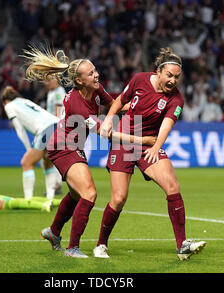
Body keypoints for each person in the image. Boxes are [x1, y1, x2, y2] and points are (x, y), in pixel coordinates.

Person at [22, 46, 157, 258]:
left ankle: (54, 232)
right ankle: (72, 248)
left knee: (76, 194)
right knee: (89, 193)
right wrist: (144, 140)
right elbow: (107, 133)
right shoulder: (77, 103)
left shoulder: (95, 89)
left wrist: (141, 103)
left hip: (74, 146)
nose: (97, 75)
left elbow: (114, 105)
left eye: (95, 70)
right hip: (63, 147)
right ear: (79, 81)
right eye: (91, 73)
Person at [97, 47, 206, 260]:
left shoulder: (176, 100)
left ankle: (182, 245)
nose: (173, 80)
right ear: (158, 72)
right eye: (169, 75)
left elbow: (165, 127)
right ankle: (101, 243)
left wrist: (156, 147)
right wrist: (109, 118)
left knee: (172, 186)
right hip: (124, 141)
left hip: (149, 144)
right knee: (119, 199)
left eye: (177, 77)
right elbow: (120, 100)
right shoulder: (139, 80)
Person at [1, 86, 61, 200]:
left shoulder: (9, 106)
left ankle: (28, 200)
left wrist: (29, 148)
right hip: (58, 125)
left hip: (46, 129)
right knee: (48, 162)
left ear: (5, 101)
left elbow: (20, 129)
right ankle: (50, 199)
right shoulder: (25, 101)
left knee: (26, 162)